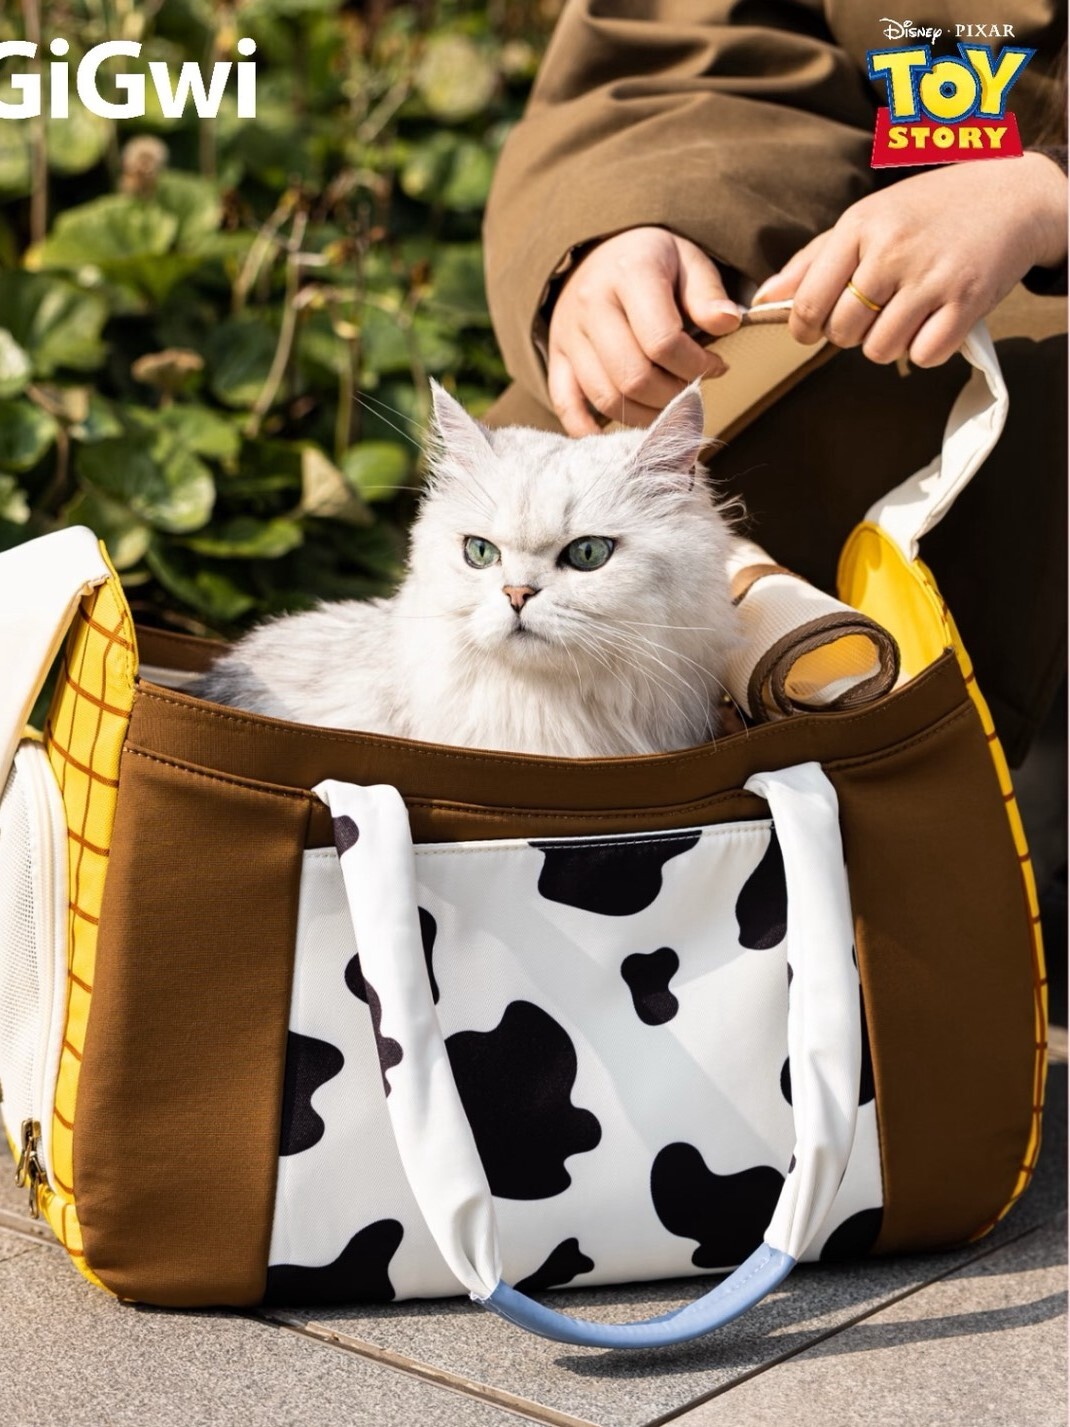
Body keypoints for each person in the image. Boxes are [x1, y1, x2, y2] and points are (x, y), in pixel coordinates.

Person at [481, 1, 1067, 767]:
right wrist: (633, 218)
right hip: (850, 307)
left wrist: (1047, 192)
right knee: (596, 442)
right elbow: (697, 42)